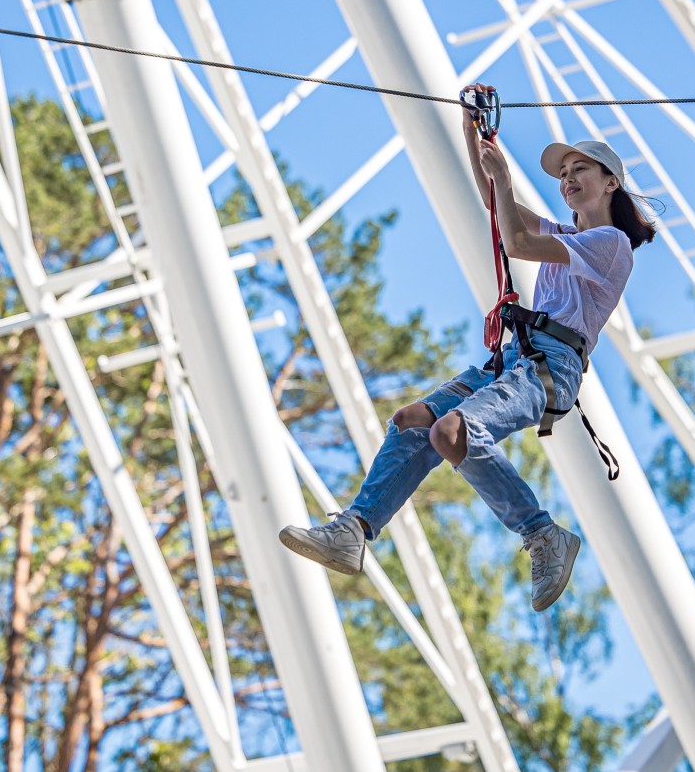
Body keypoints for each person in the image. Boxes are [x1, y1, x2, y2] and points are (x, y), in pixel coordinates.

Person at [278, 83, 656, 612]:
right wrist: (470, 129)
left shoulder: (609, 245)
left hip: (551, 365)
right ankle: (355, 529)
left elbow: (516, 244)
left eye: (580, 171)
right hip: (514, 359)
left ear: (611, 182)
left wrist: (503, 175)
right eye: (564, 174)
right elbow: (496, 207)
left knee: (452, 431)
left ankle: (542, 533)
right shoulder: (567, 237)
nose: (568, 181)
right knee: (413, 421)